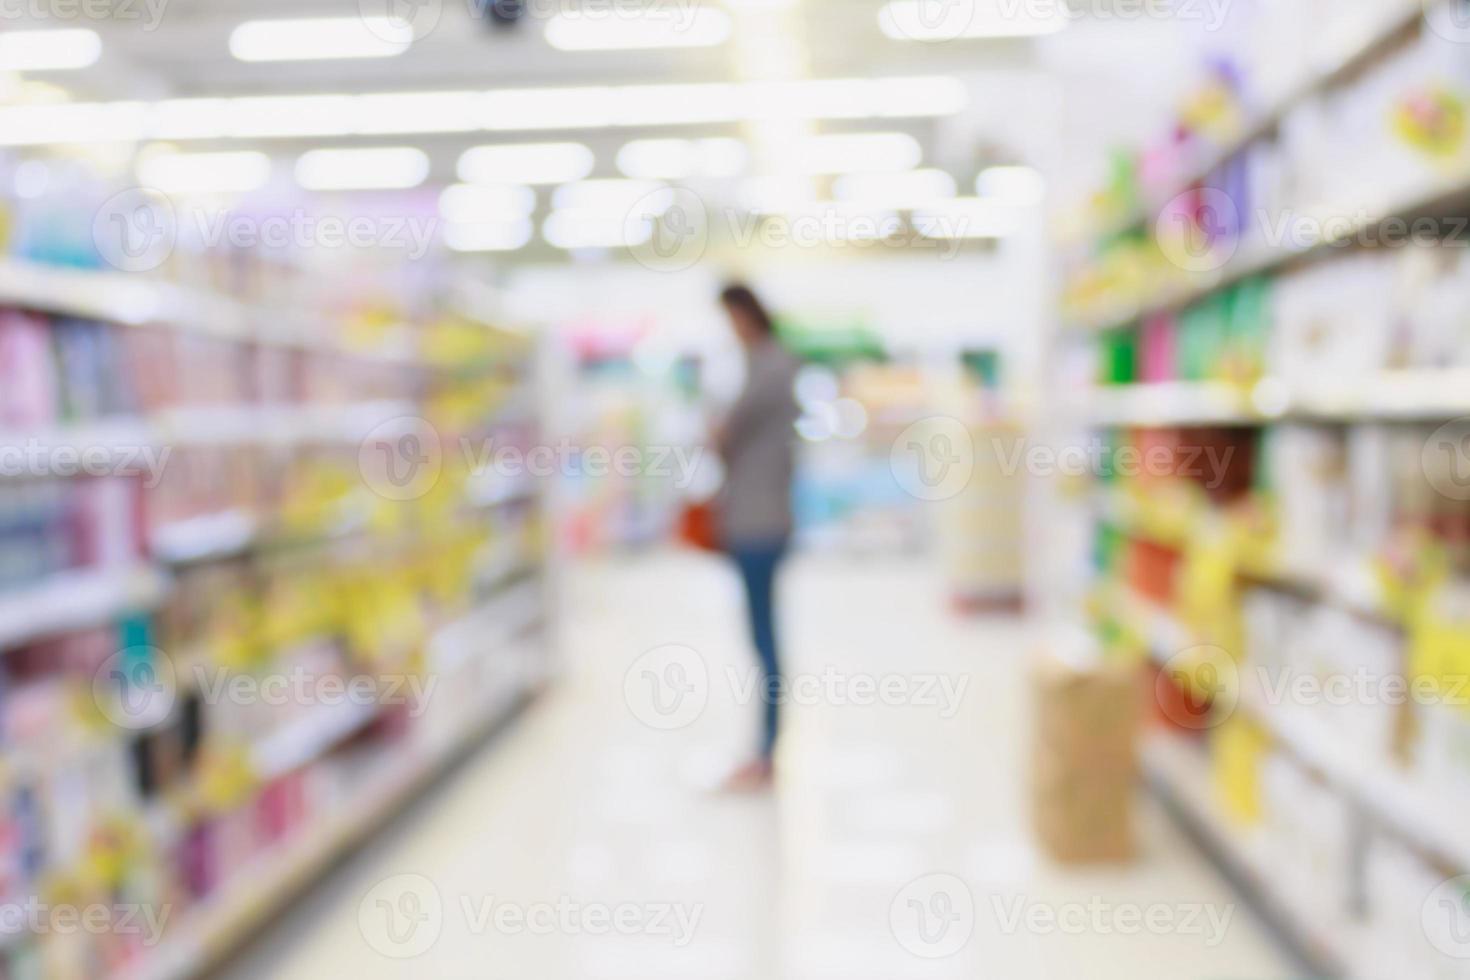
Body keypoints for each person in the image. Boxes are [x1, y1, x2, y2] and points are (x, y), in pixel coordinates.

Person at [714, 283, 801, 792]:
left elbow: (726, 435)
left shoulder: (767, 366)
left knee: (763, 639)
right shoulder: (772, 366)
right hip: (763, 519)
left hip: (757, 523)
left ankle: (766, 752)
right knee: (763, 636)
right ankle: (765, 748)